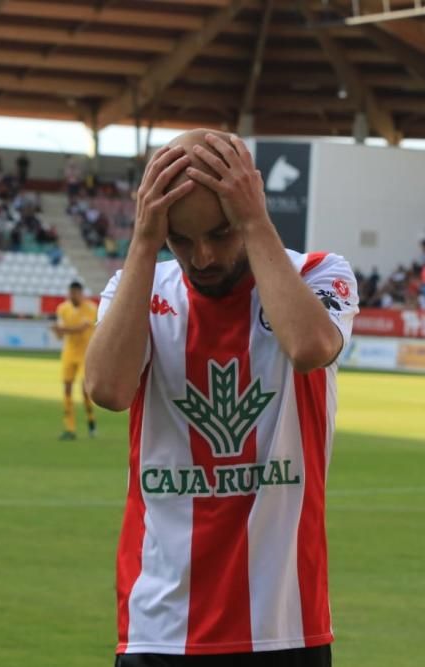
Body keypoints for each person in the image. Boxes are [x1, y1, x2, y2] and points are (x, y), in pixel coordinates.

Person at [85, 130, 357, 666]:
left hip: (284, 626)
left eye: (221, 232)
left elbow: (310, 347)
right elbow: (108, 390)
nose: (202, 256)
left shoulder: (318, 272)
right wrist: (144, 241)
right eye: (181, 240)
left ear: (250, 206)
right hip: (160, 627)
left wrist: (256, 223)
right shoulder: (135, 289)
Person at [53, 280, 98, 440]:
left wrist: (61, 329)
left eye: (75, 293)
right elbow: (60, 335)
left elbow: (82, 328)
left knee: (85, 391)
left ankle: (91, 420)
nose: (72, 296)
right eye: (70, 293)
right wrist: (57, 331)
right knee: (67, 389)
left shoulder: (91, 309)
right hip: (69, 353)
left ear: (80, 293)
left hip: (86, 354)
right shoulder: (62, 309)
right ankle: (70, 428)